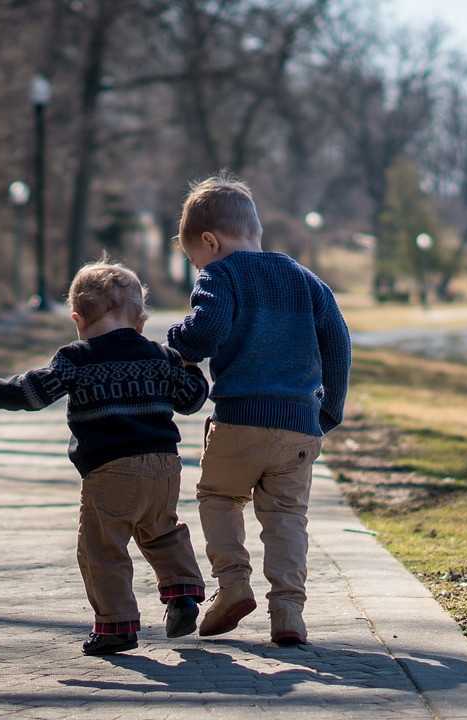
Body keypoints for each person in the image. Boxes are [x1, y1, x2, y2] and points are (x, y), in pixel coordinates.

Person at [0, 259, 209, 656]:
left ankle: (116, 625)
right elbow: (191, 400)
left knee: (102, 548)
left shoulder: (76, 358)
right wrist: (191, 366)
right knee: (162, 530)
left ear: (77, 318)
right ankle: (183, 594)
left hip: (110, 469)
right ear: (140, 319)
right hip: (164, 466)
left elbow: (35, 391)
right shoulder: (158, 355)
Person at [168, 174, 351, 645]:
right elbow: (338, 344)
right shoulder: (306, 280)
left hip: (239, 420)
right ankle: (288, 611)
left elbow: (204, 333)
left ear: (210, 241)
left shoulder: (221, 275)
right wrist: (329, 410)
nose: (198, 267)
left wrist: (177, 340)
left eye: (195, 259)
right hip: (298, 426)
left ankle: (232, 586)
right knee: (287, 516)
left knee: (219, 498)